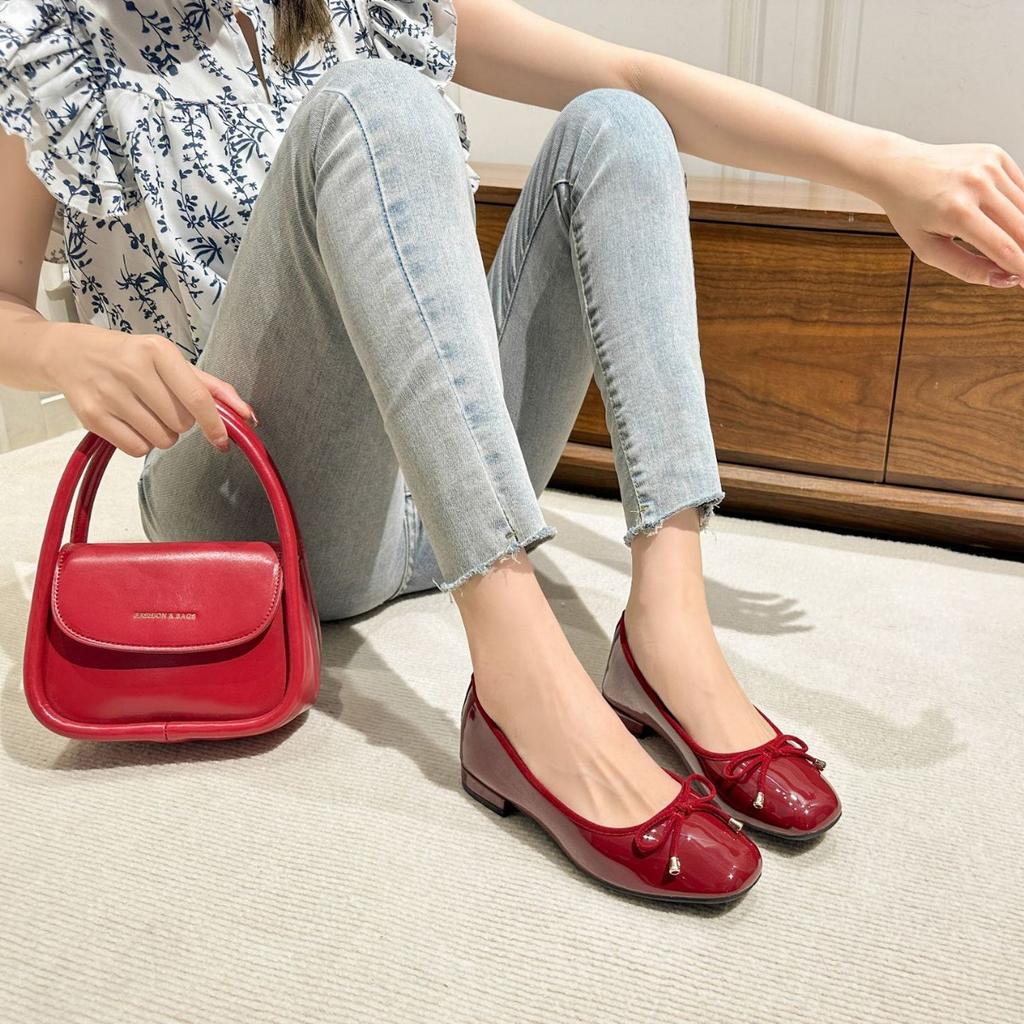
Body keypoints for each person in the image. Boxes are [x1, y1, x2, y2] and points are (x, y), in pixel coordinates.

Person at [1, 1, 1021, 903]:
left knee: (621, 121)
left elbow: (637, 73)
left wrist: (885, 167)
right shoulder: (57, 27)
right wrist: (63, 349)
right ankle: (520, 682)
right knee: (376, 102)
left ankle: (667, 629)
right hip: (248, 499)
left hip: (448, 479)